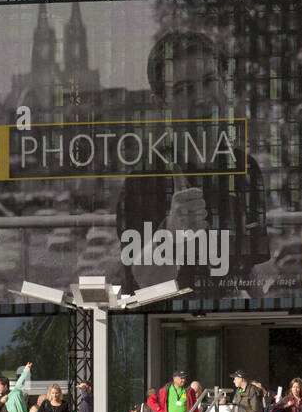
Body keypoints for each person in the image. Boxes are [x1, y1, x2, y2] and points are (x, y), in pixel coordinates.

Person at [115, 30, 269, 295]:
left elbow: (248, 271)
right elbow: (142, 286)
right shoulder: (140, 184)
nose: (201, 98)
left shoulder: (246, 170)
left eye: (210, 81)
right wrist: (172, 233)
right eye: (184, 89)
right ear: (162, 103)